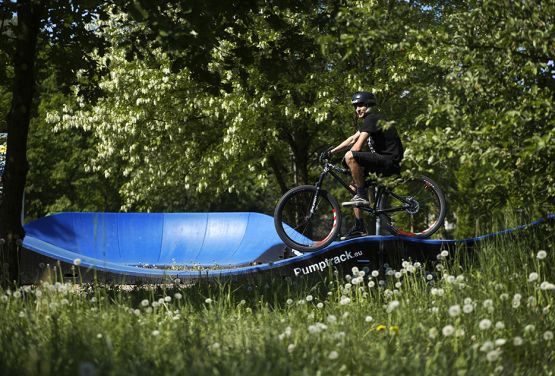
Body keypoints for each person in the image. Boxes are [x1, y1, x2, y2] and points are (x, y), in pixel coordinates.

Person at [321, 91, 404, 239]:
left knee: (351, 156)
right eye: (355, 106)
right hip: (382, 162)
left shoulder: (372, 119)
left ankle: (362, 196)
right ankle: (360, 227)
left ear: (369, 105)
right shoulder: (370, 120)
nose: (357, 109)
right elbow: (352, 139)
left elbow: (357, 147)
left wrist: (348, 159)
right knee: (353, 186)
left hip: (389, 161)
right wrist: (331, 152)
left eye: (360, 105)